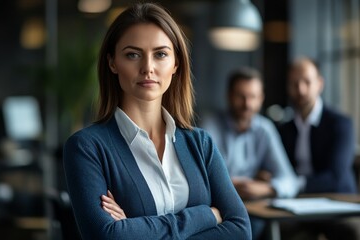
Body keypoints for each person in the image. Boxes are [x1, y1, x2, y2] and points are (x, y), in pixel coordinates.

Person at [63, 2, 251, 240]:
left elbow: (241, 230)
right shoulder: (86, 147)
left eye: (160, 54)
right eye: (133, 54)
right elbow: (108, 236)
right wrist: (207, 215)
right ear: (112, 62)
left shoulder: (201, 144)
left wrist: (135, 228)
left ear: (175, 64)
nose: (148, 68)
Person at [200, 67, 298, 240]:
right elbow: (201, 177)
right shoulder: (210, 125)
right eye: (241, 96)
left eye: (253, 97)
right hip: (216, 206)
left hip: (252, 205)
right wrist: (229, 185)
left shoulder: (265, 129)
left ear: (261, 98)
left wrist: (267, 188)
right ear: (229, 96)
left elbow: (289, 179)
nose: (247, 104)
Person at [278, 56, 359, 240]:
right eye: (294, 83)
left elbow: (335, 176)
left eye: (307, 81)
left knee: (351, 232)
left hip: (338, 203)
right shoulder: (284, 130)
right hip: (297, 206)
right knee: (275, 231)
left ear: (320, 83)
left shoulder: (340, 124)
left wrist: (295, 183)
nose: (300, 89)